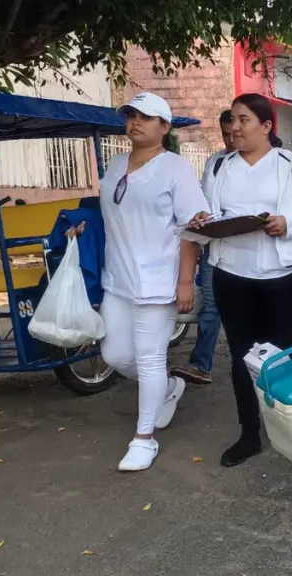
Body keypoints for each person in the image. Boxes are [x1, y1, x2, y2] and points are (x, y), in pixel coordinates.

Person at [195, 93, 292, 468]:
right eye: (233, 120)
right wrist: (204, 219)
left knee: (285, 353)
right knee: (241, 357)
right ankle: (250, 433)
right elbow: (208, 212)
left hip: (285, 276)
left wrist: (288, 224)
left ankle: (291, 426)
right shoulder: (219, 167)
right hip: (232, 274)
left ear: (266, 126)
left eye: (244, 120)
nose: (235, 128)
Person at [93, 92, 210, 472]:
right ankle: (168, 388)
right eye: (130, 116)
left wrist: (185, 282)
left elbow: (193, 228)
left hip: (158, 280)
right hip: (118, 279)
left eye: (145, 116)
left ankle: (144, 438)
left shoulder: (175, 169)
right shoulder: (114, 165)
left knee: (148, 358)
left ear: (165, 126)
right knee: (114, 355)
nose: (135, 122)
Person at [170, 110, 235, 386]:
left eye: (236, 131)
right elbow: (204, 204)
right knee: (211, 305)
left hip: (251, 249)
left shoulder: (273, 162)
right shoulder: (214, 163)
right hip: (215, 244)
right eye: (226, 133)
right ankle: (201, 364)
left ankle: (260, 363)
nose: (231, 139)